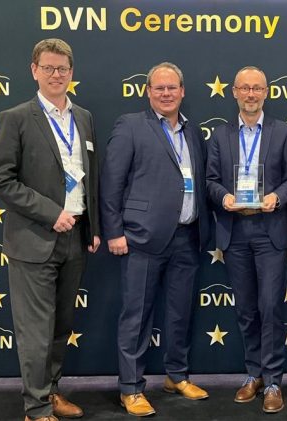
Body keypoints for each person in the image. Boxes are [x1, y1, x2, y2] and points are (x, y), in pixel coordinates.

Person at [0, 38, 100, 421]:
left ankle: (50, 391)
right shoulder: (15, 118)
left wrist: (93, 226)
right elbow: (1, 180)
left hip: (75, 239)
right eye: (49, 68)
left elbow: (90, 177)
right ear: (34, 70)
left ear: (72, 72)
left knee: (60, 326)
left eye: (62, 68)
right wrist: (51, 213)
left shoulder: (83, 117)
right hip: (34, 240)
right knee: (36, 330)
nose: (56, 75)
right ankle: (35, 408)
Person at [99, 62, 210, 417]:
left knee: (180, 313)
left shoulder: (193, 131)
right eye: (159, 88)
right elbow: (111, 182)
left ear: (182, 91)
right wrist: (114, 231)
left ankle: (176, 376)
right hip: (141, 238)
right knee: (137, 316)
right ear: (148, 92)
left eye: (172, 87)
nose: (166, 93)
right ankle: (131, 388)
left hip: (187, 236)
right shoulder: (130, 125)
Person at [206, 66, 287, 413]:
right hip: (235, 231)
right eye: (244, 88)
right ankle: (253, 374)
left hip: (270, 230)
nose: (250, 94)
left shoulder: (283, 132)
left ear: (266, 93)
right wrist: (223, 197)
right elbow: (210, 181)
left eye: (257, 88)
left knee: (270, 306)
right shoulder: (220, 135)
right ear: (234, 92)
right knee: (246, 309)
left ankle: (273, 381)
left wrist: (277, 196)